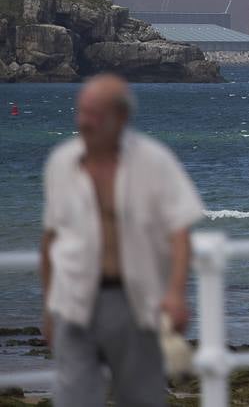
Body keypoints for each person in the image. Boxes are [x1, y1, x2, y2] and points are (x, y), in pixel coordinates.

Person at [40, 74, 204, 407]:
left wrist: (175, 293)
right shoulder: (61, 163)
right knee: (73, 399)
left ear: (121, 117)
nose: (84, 122)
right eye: (81, 112)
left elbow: (179, 232)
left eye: (95, 114)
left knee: (141, 398)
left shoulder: (153, 162)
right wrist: (47, 307)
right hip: (74, 301)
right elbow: (50, 240)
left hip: (135, 302)